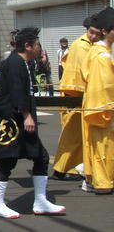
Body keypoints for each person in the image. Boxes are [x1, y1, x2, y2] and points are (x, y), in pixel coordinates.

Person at [0, 27, 65, 218]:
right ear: (28, 46)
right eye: (37, 45)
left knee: (41, 157)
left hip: (21, 119)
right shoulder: (15, 63)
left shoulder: (25, 62)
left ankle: (40, 201)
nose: (40, 48)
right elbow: (16, 91)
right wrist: (26, 115)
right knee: (8, 161)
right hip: (11, 121)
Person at [51, 15, 100, 181]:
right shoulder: (82, 46)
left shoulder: (84, 44)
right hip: (76, 95)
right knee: (73, 135)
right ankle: (62, 168)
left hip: (79, 94)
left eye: (97, 33)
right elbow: (90, 72)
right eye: (91, 32)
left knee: (77, 136)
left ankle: (70, 167)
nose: (94, 36)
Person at [80, 7, 114, 194]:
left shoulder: (98, 51)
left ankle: (98, 180)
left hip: (97, 105)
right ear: (105, 31)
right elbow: (105, 87)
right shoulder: (100, 55)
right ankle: (103, 183)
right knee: (103, 147)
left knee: (101, 146)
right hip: (102, 107)